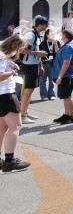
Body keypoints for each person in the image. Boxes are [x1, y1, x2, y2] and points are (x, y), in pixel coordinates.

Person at [0, 35, 31, 172]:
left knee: (2, 127)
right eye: (21, 48)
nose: (21, 51)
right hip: (5, 95)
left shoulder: (3, 56)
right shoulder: (3, 57)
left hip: (3, 95)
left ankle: (4, 159)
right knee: (15, 126)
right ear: (15, 46)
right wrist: (12, 71)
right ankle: (9, 160)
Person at [19, 15, 49, 124]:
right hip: (28, 66)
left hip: (34, 65)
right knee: (28, 90)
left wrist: (40, 65)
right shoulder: (31, 35)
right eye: (45, 24)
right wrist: (37, 54)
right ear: (40, 25)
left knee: (30, 90)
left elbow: (36, 50)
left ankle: (25, 112)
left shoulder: (37, 34)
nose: (47, 26)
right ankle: (22, 115)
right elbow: (21, 50)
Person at [53, 29, 73, 124]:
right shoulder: (66, 45)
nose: (60, 35)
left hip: (67, 75)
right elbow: (58, 53)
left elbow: (66, 62)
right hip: (65, 75)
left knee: (67, 96)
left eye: (61, 34)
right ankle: (66, 114)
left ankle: (71, 116)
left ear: (65, 36)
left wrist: (60, 76)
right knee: (64, 96)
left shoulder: (68, 47)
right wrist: (55, 43)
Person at [39, 28, 60, 101]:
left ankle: (52, 94)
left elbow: (58, 52)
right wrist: (40, 64)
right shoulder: (42, 43)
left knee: (52, 80)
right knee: (42, 80)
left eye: (53, 34)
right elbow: (40, 55)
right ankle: (44, 95)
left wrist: (56, 44)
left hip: (53, 63)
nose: (52, 36)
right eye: (51, 34)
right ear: (47, 35)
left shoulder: (56, 42)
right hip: (44, 63)